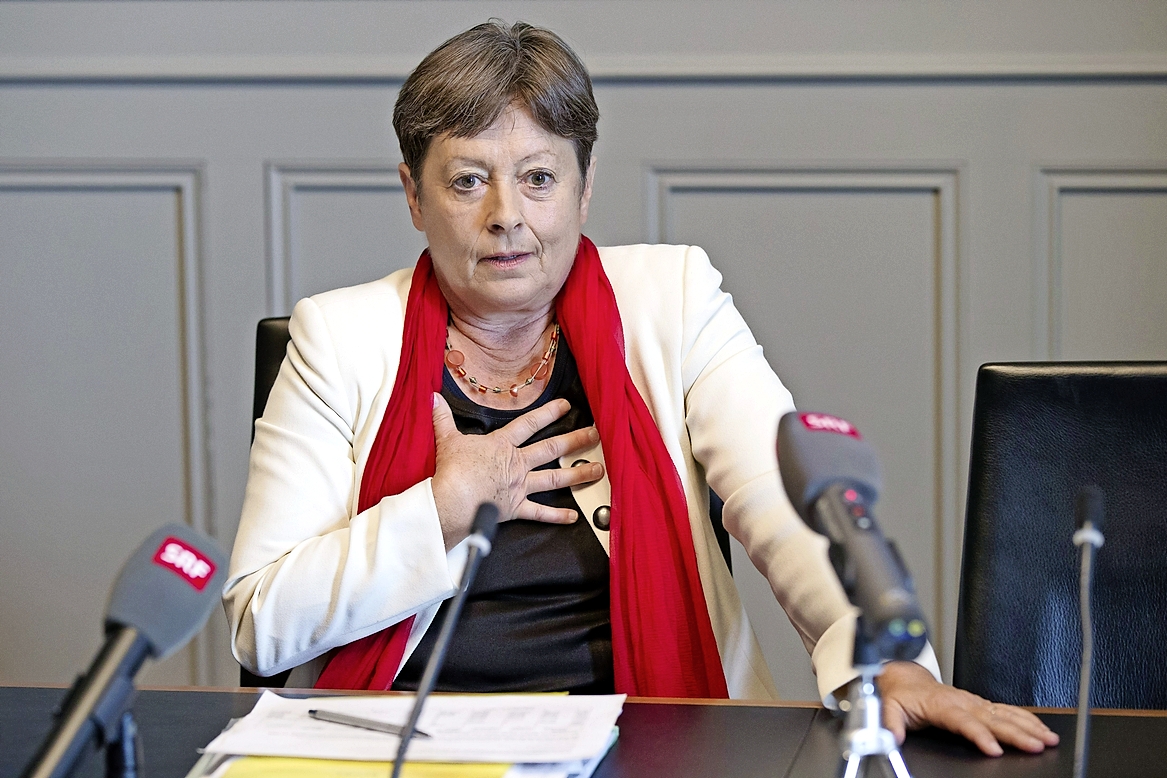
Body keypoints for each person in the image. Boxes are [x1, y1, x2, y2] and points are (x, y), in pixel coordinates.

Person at [223, 20, 1058, 756]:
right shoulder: (339, 337)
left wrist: (882, 668)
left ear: (584, 188)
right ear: (413, 195)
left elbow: (783, 503)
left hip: (641, 736)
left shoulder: (673, 301)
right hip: (398, 742)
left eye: (538, 178)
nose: (506, 214)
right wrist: (441, 507)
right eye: (468, 180)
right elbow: (263, 623)